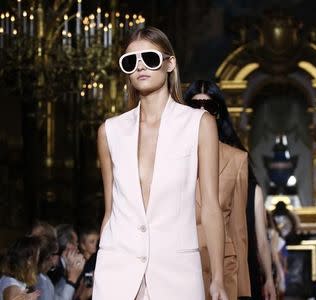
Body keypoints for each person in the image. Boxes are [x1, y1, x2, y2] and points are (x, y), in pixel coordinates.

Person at [93, 28, 227, 300]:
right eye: (130, 61)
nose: (140, 65)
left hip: (176, 273)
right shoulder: (110, 131)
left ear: (170, 63)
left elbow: (211, 206)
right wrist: (98, 265)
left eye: (150, 58)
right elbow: (110, 211)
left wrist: (218, 278)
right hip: (116, 271)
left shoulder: (199, 124)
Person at [185, 80, 276, 300]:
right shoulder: (168, 154)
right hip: (182, 263)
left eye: (209, 107)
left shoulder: (237, 160)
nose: (202, 113)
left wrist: (246, 287)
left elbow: (239, 230)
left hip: (222, 266)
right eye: (195, 106)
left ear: (218, 113)